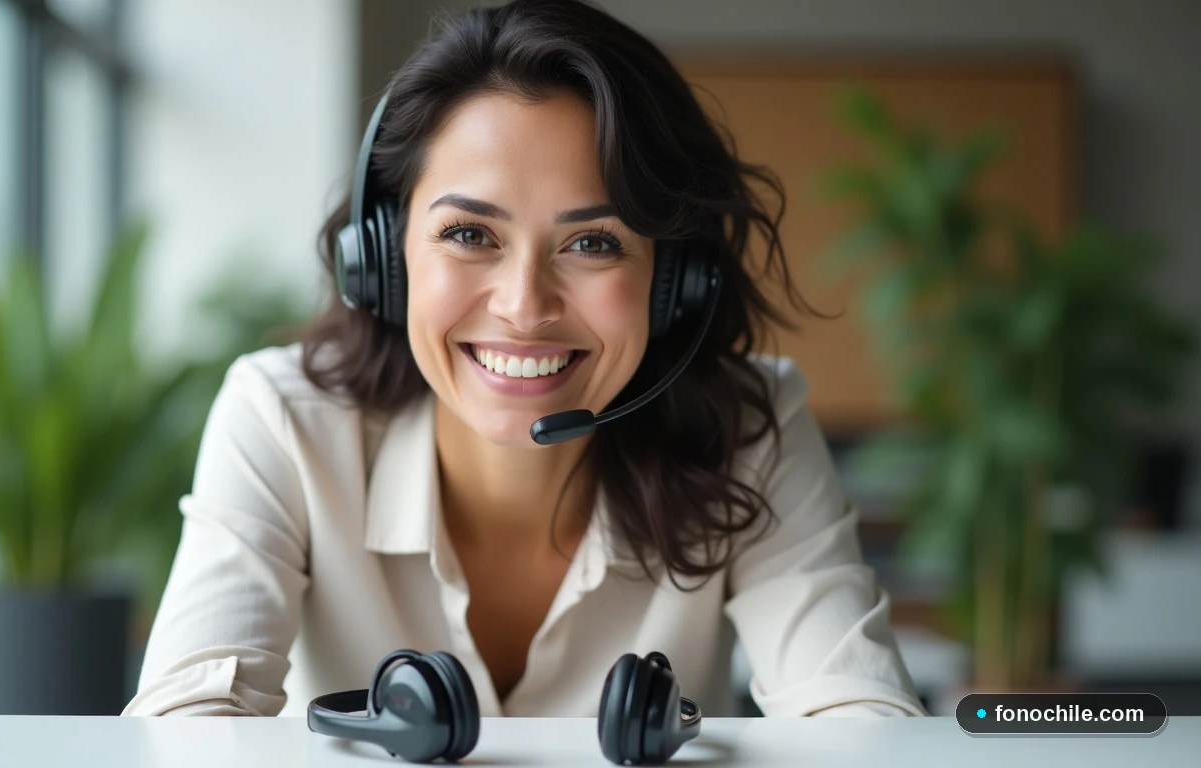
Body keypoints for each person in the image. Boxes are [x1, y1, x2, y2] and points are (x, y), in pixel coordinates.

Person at [123, 0, 926, 719]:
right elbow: (183, 728)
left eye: (594, 243)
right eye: (470, 234)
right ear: (385, 256)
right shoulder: (283, 421)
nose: (523, 305)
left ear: (674, 283)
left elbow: (858, 718)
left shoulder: (747, 429)